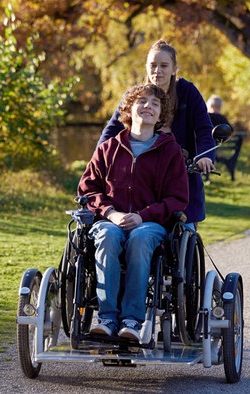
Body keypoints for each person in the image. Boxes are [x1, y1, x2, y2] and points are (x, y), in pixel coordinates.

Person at [78, 83, 189, 341]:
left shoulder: (170, 151)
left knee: (139, 240)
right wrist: (110, 212)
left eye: (155, 103)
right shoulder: (108, 148)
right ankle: (106, 318)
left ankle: (132, 321)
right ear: (128, 109)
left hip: (149, 223)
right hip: (110, 221)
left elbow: (178, 199)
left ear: (161, 114)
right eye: (142, 101)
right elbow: (87, 188)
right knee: (107, 236)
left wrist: (143, 215)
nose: (148, 106)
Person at [97, 39, 216, 227]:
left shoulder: (188, 92)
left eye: (164, 65)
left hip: (180, 170)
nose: (157, 71)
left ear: (174, 68)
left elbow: (203, 129)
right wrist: (100, 158)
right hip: (145, 173)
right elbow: (112, 129)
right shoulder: (136, 95)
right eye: (153, 65)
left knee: (184, 227)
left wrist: (205, 157)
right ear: (146, 67)